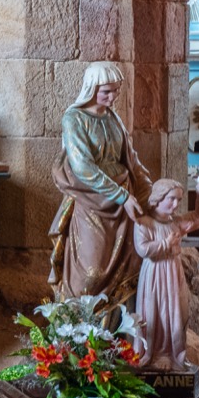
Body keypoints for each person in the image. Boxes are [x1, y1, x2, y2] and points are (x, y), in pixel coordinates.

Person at [48, 62, 153, 304]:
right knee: (90, 272)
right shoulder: (74, 119)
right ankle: (77, 330)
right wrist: (123, 197)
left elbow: (130, 159)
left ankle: (116, 331)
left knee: (131, 265)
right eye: (106, 91)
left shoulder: (112, 117)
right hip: (92, 199)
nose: (113, 96)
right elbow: (83, 167)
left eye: (116, 90)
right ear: (91, 88)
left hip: (122, 200)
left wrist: (149, 189)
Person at [135, 177, 199, 369]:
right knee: (156, 312)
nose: (176, 204)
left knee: (176, 311)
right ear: (158, 199)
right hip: (154, 274)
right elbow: (143, 249)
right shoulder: (145, 223)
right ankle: (155, 354)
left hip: (173, 271)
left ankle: (172, 354)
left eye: (178, 199)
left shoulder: (176, 223)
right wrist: (165, 244)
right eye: (171, 199)